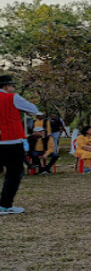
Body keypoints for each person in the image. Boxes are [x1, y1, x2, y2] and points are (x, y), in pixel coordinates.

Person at [0, 75, 41, 215]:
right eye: (12, 86)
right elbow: (33, 109)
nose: (13, 88)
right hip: (11, 141)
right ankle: (5, 205)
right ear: (6, 86)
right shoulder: (13, 98)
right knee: (14, 173)